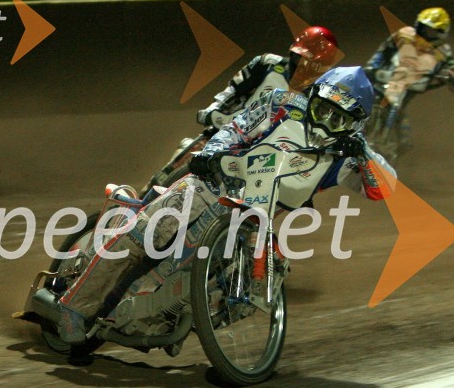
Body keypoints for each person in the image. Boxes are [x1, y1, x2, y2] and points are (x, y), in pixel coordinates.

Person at [58, 67, 395, 344]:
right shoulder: (281, 105)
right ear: (313, 97)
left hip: (257, 222)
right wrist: (210, 154)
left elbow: (385, 188)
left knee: (259, 284)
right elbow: (236, 129)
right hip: (211, 185)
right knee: (146, 234)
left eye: (338, 120)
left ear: (355, 124)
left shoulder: (347, 154)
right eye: (323, 110)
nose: (325, 124)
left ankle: (176, 317)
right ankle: (74, 307)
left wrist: (363, 154)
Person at [144, 26, 340, 192]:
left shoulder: (321, 95)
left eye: (312, 63)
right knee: (172, 170)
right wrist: (213, 111)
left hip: (264, 152)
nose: (303, 65)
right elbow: (232, 90)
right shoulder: (268, 64)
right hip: (230, 130)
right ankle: (143, 198)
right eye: (300, 58)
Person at [364, 7, 454, 152]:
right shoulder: (404, 34)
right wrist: (371, 67)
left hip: (409, 88)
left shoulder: (444, 51)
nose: (425, 34)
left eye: (430, 31)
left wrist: (452, 78)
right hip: (385, 79)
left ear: (441, 33)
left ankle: (395, 147)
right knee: (362, 101)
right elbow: (382, 52)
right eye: (423, 28)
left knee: (403, 133)